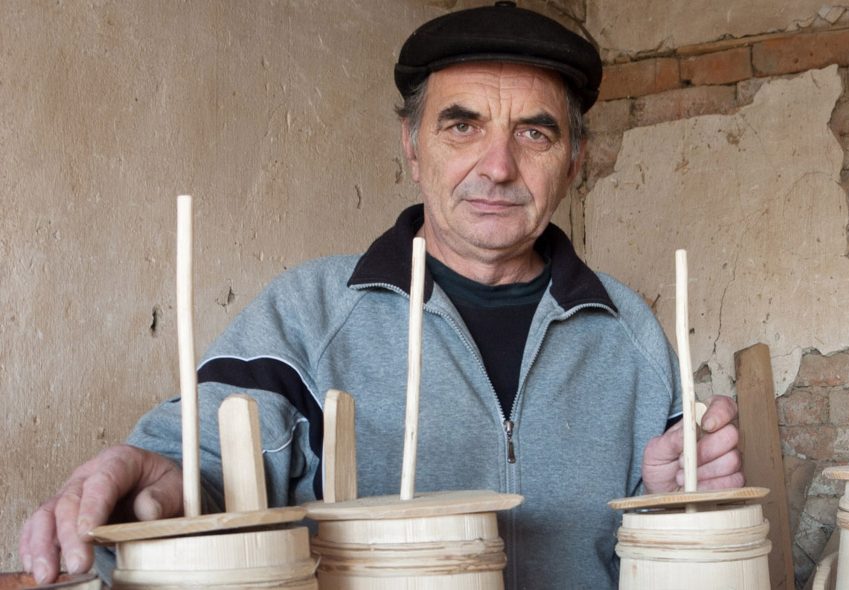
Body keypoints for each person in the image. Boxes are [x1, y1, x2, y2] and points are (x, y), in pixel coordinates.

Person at [20, 3, 743, 588]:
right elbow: (206, 461)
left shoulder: (630, 332)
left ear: (575, 160)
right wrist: (166, 477)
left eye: (534, 132)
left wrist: (667, 509)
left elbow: (667, 552)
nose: (497, 166)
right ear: (411, 143)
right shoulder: (308, 314)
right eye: (462, 126)